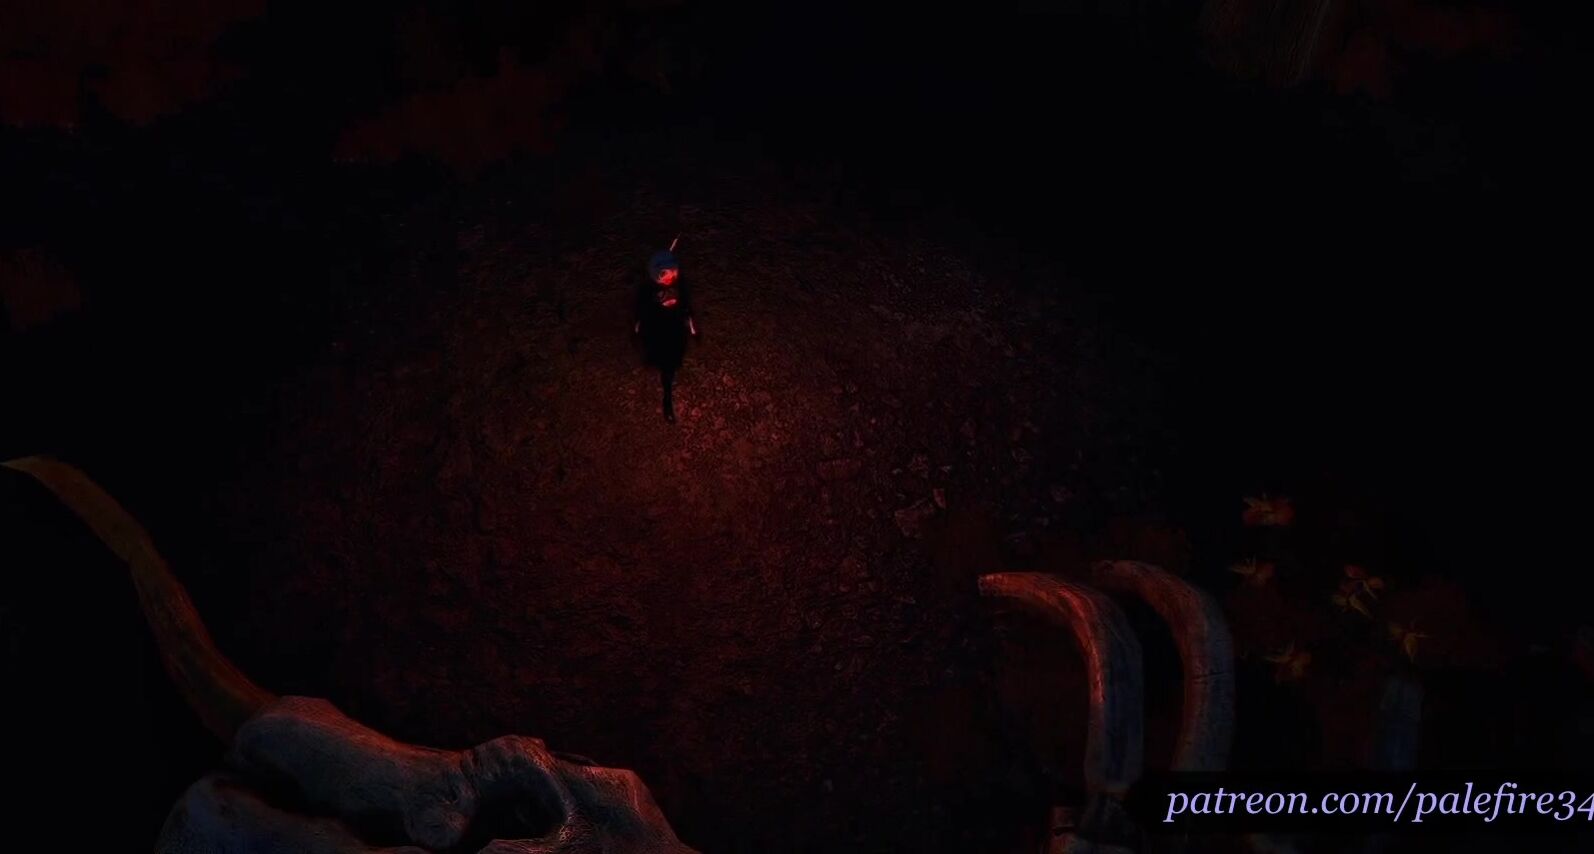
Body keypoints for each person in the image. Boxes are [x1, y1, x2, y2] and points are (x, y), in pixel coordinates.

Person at [633, 247, 697, 422]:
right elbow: (642, 313)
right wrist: (639, 327)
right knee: (665, 364)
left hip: (675, 329)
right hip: (659, 331)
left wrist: (692, 327)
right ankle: (667, 398)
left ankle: (669, 378)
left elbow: (686, 307)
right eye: (665, 274)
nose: (670, 277)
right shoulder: (649, 291)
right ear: (655, 275)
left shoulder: (680, 286)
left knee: (672, 361)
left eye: (673, 273)